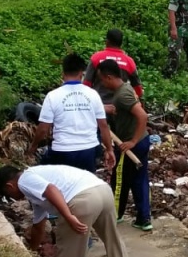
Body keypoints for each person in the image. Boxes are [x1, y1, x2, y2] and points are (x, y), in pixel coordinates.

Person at [0, 164, 136, 257]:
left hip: (83, 199)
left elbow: (51, 190)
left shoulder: (24, 180)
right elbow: (38, 226)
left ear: (10, 186)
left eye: (8, 194)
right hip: (103, 191)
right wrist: (30, 252)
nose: (13, 197)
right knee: (112, 237)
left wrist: (69, 216)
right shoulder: (37, 185)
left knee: (69, 247)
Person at [28, 52, 115, 172]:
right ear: (81, 73)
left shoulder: (52, 96)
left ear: (63, 74)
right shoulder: (93, 94)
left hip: (63, 150)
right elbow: (103, 126)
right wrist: (109, 150)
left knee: (62, 185)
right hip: (88, 150)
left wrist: (33, 146)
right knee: (84, 187)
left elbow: (43, 128)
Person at [97, 59, 152, 231]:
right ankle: (144, 218)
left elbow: (142, 116)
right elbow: (124, 107)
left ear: (109, 77)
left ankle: (116, 214)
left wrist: (132, 141)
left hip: (131, 145)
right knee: (140, 180)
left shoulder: (122, 95)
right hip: (142, 141)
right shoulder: (125, 88)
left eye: (102, 79)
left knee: (119, 179)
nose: (101, 83)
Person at [82, 28, 144, 105]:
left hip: (99, 105)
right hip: (120, 106)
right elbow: (138, 89)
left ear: (107, 41)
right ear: (121, 43)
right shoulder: (129, 62)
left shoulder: (96, 58)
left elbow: (86, 84)